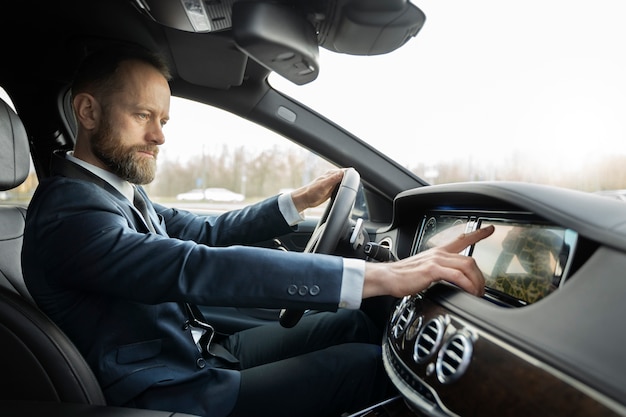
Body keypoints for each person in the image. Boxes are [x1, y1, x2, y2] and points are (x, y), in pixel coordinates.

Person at [22, 45, 495, 417]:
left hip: (199, 353)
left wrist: (297, 202)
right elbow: (196, 266)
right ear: (87, 112)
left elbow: (204, 231)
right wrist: (384, 277)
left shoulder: (113, 192)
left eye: (163, 120)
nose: (160, 136)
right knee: (366, 366)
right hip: (173, 391)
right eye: (143, 116)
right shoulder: (70, 215)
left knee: (350, 322)